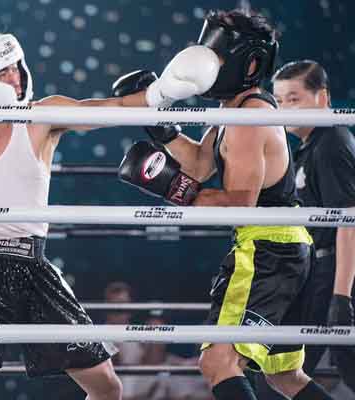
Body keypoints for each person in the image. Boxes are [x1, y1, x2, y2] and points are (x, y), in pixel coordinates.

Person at [0, 20, 220, 400]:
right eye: (3, 72)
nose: (16, 79)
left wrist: (162, 91)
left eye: (17, 67)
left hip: (34, 266)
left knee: (107, 387)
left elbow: (109, 109)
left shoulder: (40, 118)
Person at [115, 9, 336, 400]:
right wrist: (162, 128)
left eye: (215, 58)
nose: (205, 67)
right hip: (284, 247)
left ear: (248, 63)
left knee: (219, 362)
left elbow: (239, 204)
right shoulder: (232, 110)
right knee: (285, 377)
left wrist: (175, 189)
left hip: (268, 249)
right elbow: (202, 164)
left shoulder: (250, 118)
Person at [273, 59, 355, 391]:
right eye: (279, 101)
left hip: (335, 268)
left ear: (322, 97)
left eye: (293, 99)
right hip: (321, 269)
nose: (284, 109)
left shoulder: (332, 141)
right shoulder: (315, 143)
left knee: (286, 368)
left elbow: (349, 218)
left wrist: (341, 295)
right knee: (293, 367)